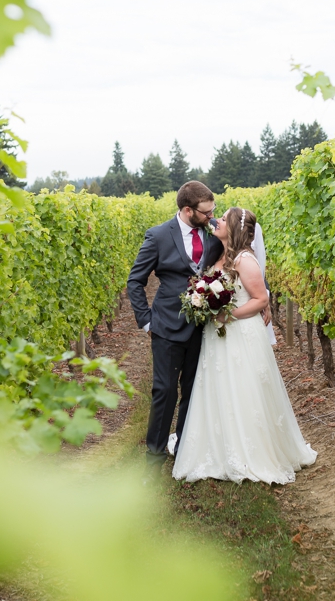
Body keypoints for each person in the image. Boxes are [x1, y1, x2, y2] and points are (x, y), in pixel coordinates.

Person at [171, 207, 317, 483]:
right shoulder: (221, 254)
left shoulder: (245, 260)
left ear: (235, 228)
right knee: (219, 386)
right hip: (218, 334)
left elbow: (260, 300)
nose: (217, 221)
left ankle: (248, 452)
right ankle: (217, 446)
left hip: (239, 332)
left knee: (242, 386)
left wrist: (228, 316)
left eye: (223, 219)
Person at [127, 181, 224, 461]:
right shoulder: (158, 236)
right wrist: (146, 321)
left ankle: (184, 448)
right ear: (187, 210)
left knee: (193, 390)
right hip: (166, 325)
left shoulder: (214, 233)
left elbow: (240, 254)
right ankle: (154, 454)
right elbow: (135, 281)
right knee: (165, 390)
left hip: (202, 326)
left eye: (213, 211)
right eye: (206, 213)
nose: (212, 216)